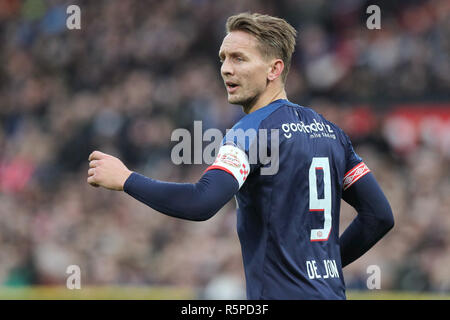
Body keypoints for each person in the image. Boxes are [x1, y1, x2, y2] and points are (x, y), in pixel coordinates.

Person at [87, 13, 394, 300]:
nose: (225, 68)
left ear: (274, 69)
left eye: (239, 58)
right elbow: (379, 216)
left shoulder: (251, 131)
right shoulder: (332, 133)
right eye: (223, 58)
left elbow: (201, 202)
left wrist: (127, 179)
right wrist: (327, 265)